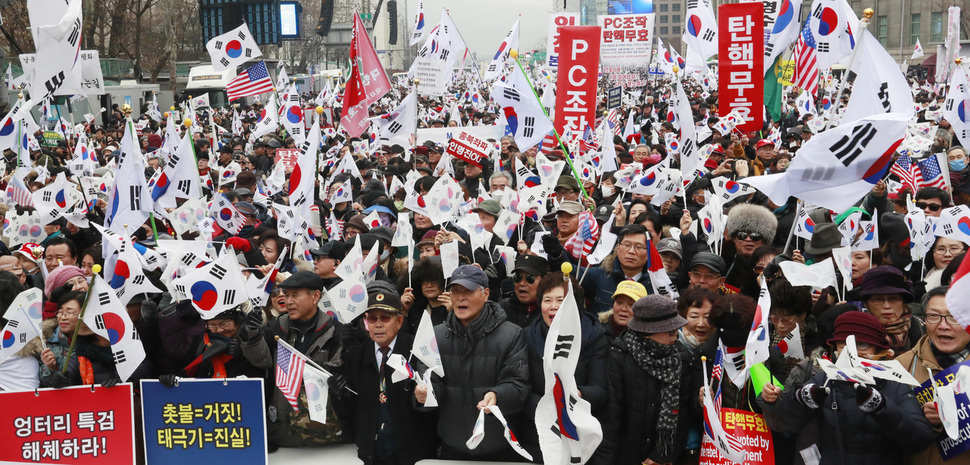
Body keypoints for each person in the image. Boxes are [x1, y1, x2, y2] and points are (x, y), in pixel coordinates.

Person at [762, 311, 934, 465]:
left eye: (862, 345)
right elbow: (783, 424)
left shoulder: (895, 385)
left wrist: (882, 408)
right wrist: (799, 400)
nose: (852, 352)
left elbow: (918, 440)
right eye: (843, 344)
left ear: (880, 350)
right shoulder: (823, 380)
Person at [418, 265, 529, 460]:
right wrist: (424, 394)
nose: (460, 297)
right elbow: (431, 383)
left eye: (468, 291)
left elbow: (518, 385)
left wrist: (497, 395)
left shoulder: (511, 335)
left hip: (498, 444)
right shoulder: (435, 335)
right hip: (453, 444)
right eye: (455, 291)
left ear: (485, 294)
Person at [241, 271, 347, 448]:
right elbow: (263, 361)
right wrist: (251, 336)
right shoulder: (279, 325)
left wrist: (307, 369)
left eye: (295, 295)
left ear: (315, 297)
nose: (288, 301)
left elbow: (338, 371)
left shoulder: (335, 330)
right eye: (286, 295)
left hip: (321, 431)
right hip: (283, 430)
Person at [599, 294, 700, 465]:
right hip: (624, 455)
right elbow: (611, 416)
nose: (676, 335)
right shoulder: (620, 356)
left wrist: (660, 456)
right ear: (649, 332)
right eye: (670, 331)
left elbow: (681, 417)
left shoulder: (681, 359)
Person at [340, 290, 438, 465]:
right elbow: (349, 410)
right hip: (371, 452)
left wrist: (424, 396)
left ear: (399, 321)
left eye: (385, 318)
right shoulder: (355, 356)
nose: (378, 324)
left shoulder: (416, 351)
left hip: (411, 453)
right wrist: (340, 393)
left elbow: (435, 399)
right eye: (372, 318)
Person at [520, 272, 608, 459]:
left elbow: (600, 391)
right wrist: (550, 408)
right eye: (547, 300)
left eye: (561, 300)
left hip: (578, 439)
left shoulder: (594, 336)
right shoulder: (528, 335)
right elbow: (522, 389)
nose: (553, 307)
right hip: (538, 436)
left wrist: (574, 396)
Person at [895, 287, 970, 464]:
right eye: (934, 316)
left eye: (954, 317)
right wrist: (920, 418)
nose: (943, 325)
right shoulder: (902, 366)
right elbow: (887, 432)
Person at [857, 266, 925, 354]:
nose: (887, 306)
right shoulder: (856, 330)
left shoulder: (923, 329)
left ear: (903, 302)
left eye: (894, 299)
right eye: (878, 300)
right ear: (866, 303)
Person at [498, 255, 548, 328]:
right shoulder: (503, 309)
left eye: (529, 278)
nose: (522, 283)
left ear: (543, 281)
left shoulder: (550, 312)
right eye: (518, 277)